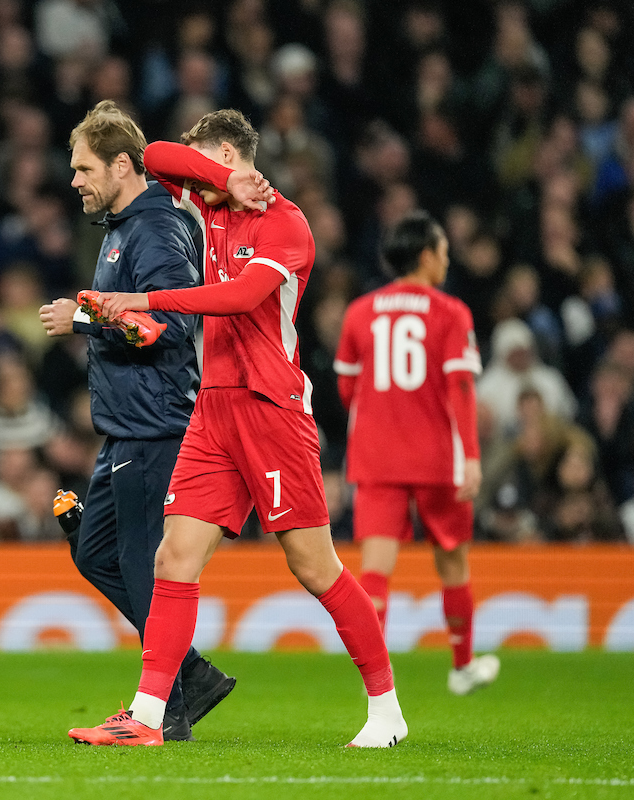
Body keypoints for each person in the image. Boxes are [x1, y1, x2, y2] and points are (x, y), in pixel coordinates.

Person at [69, 109, 407, 748]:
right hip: (212, 413)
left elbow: (239, 298)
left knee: (315, 567)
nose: (196, 183)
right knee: (174, 556)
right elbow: (161, 154)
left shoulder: (287, 224)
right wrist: (216, 175)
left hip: (271, 411)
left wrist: (145, 299)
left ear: (229, 152)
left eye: (209, 165)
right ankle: (146, 716)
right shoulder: (212, 201)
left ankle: (386, 707)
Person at [39, 101, 261, 741]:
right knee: (94, 550)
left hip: (155, 424)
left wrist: (83, 318)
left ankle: (164, 710)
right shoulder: (119, 228)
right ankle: (189, 675)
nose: (75, 180)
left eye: (83, 168)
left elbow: (170, 326)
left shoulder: (157, 228)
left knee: (145, 565)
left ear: (121, 165)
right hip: (124, 426)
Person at [334, 210, 501, 696]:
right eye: (445, 252)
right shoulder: (451, 312)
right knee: (452, 563)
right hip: (435, 458)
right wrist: (470, 456)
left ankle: (377, 687)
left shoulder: (359, 311)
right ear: (426, 255)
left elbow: (346, 388)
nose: (447, 261)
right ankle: (463, 665)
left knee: (375, 573)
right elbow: (461, 388)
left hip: (376, 456)